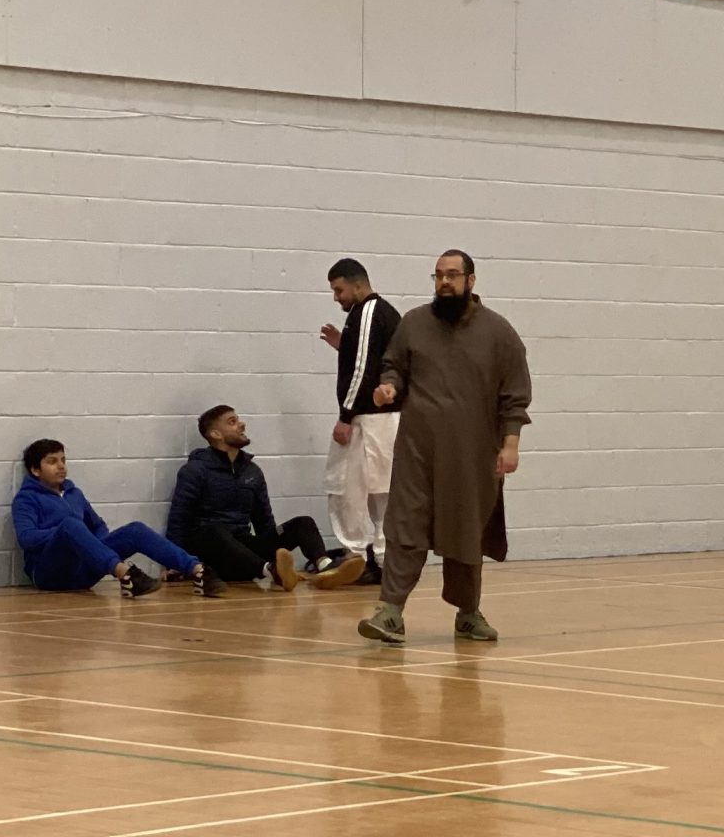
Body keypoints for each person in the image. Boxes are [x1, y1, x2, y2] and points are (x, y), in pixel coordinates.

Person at [358, 250, 533, 646]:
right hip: (417, 451)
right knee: (405, 526)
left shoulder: (499, 332)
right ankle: (389, 612)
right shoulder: (414, 323)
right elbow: (393, 366)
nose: (444, 283)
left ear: (471, 280)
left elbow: (515, 395)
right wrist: (389, 387)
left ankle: (468, 614)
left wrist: (511, 444)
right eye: (438, 275)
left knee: (466, 533)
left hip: (472, 456)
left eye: (452, 275)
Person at [166, 405, 363, 592]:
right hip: (212, 554)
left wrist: (274, 545)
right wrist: (173, 564)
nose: (242, 425)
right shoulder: (195, 470)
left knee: (303, 523)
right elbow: (178, 520)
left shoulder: (252, 471)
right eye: (232, 422)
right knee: (214, 531)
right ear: (215, 434)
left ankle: (326, 568)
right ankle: (272, 571)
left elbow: (264, 521)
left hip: (244, 550)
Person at [11, 439, 202, 597]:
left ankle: (198, 571)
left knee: (135, 530)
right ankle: (125, 575)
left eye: (63, 460)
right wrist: (66, 535)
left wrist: (93, 548)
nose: (61, 466)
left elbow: (98, 526)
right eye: (52, 462)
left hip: (83, 571)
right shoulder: (26, 498)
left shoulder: (74, 493)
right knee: (71, 525)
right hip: (49, 573)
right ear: (35, 470)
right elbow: (27, 538)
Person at [322, 258, 402, 584]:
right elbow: (373, 357)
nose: (336, 297)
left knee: (348, 488)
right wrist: (344, 346)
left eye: (339, 290)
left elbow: (363, 369)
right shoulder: (375, 313)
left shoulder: (369, 311)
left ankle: (358, 555)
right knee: (379, 491)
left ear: (358, 285)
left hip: (369, 419)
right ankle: (380, 560)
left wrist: (345, 416)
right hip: (381, 419)